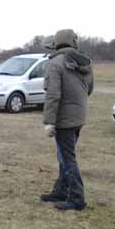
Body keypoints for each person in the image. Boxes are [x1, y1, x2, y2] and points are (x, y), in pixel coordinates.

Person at [41, 29, 93, 211]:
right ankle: (61, 190)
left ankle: (77, 198)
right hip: (79, 116)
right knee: (64, 155)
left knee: (67, 157)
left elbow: (53, 94)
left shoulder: (55, 63)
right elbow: (89, 89)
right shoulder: (83, 62)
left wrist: (49, 122)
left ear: (57, 43)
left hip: (64, 118)